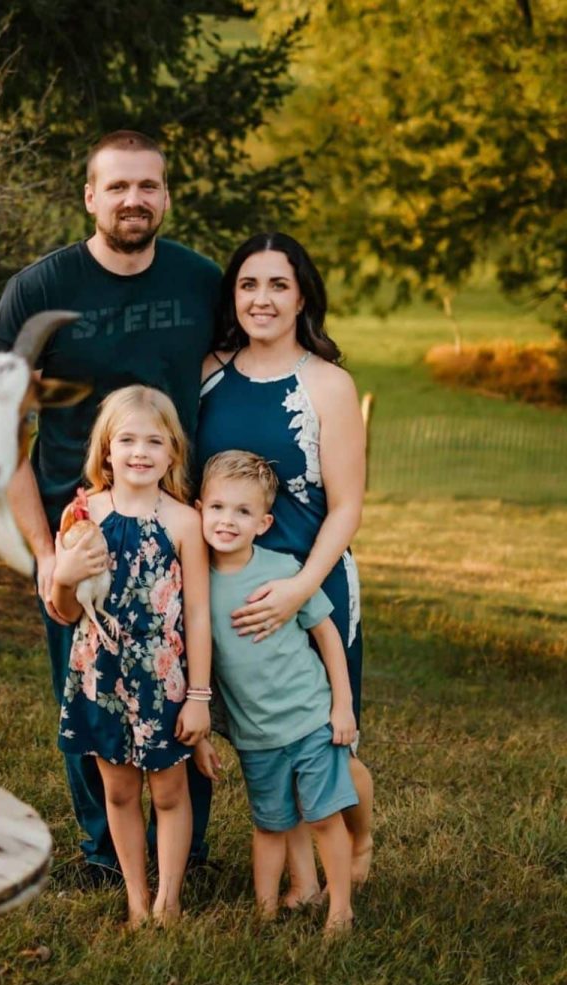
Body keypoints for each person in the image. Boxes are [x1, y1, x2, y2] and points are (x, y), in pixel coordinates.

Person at [0, 130, 221, 879]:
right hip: (80, 531)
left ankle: (186, 850)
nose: (133, 200)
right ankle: (105, 855)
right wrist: (45, 553)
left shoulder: (201, 282)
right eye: (116, 186)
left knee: (181, 686)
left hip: (177, 529)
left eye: (147, 186)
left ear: (165, 196)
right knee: (93, 696)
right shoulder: (40, 292)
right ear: (89, 196)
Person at [196, 233, 373, 896]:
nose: (262, 299)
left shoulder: (329, 384)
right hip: (229, 583)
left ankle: (359, 837)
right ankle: (300, 881)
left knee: (327, 735)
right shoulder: (206, 371)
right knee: (266, 735)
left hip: (312, 579)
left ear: (302, 297)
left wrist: (300, 588)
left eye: (277, 285)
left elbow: (348, 506)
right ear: (233, 296)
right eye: (248, 285)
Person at [52, 386, 211, 926]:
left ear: (172, 452)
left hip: (162, 682)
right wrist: (65, 576)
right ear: (106, 450)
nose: (140, 452)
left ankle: (169, 902)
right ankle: (137, 901)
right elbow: (65, 611)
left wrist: (198, 696)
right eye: (127, 440)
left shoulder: (184, 522)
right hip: (100, 675)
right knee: (118, 791)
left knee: (169, 791)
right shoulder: (81, 514)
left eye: (154, 441)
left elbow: (198, 617)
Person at [194, 450, 358, 933]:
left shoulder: (282, 569)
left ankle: (340, 910)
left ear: (263, 523)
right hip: (255, 734)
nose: (228, 521)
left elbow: (327, 634)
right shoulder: (194, 583)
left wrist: (342, 706)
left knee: (325, 817)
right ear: (200, 507)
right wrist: (204, 734)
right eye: (218, 507)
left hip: (310, 718)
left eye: (243, 512)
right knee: (270, 823)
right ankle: (265, 911)